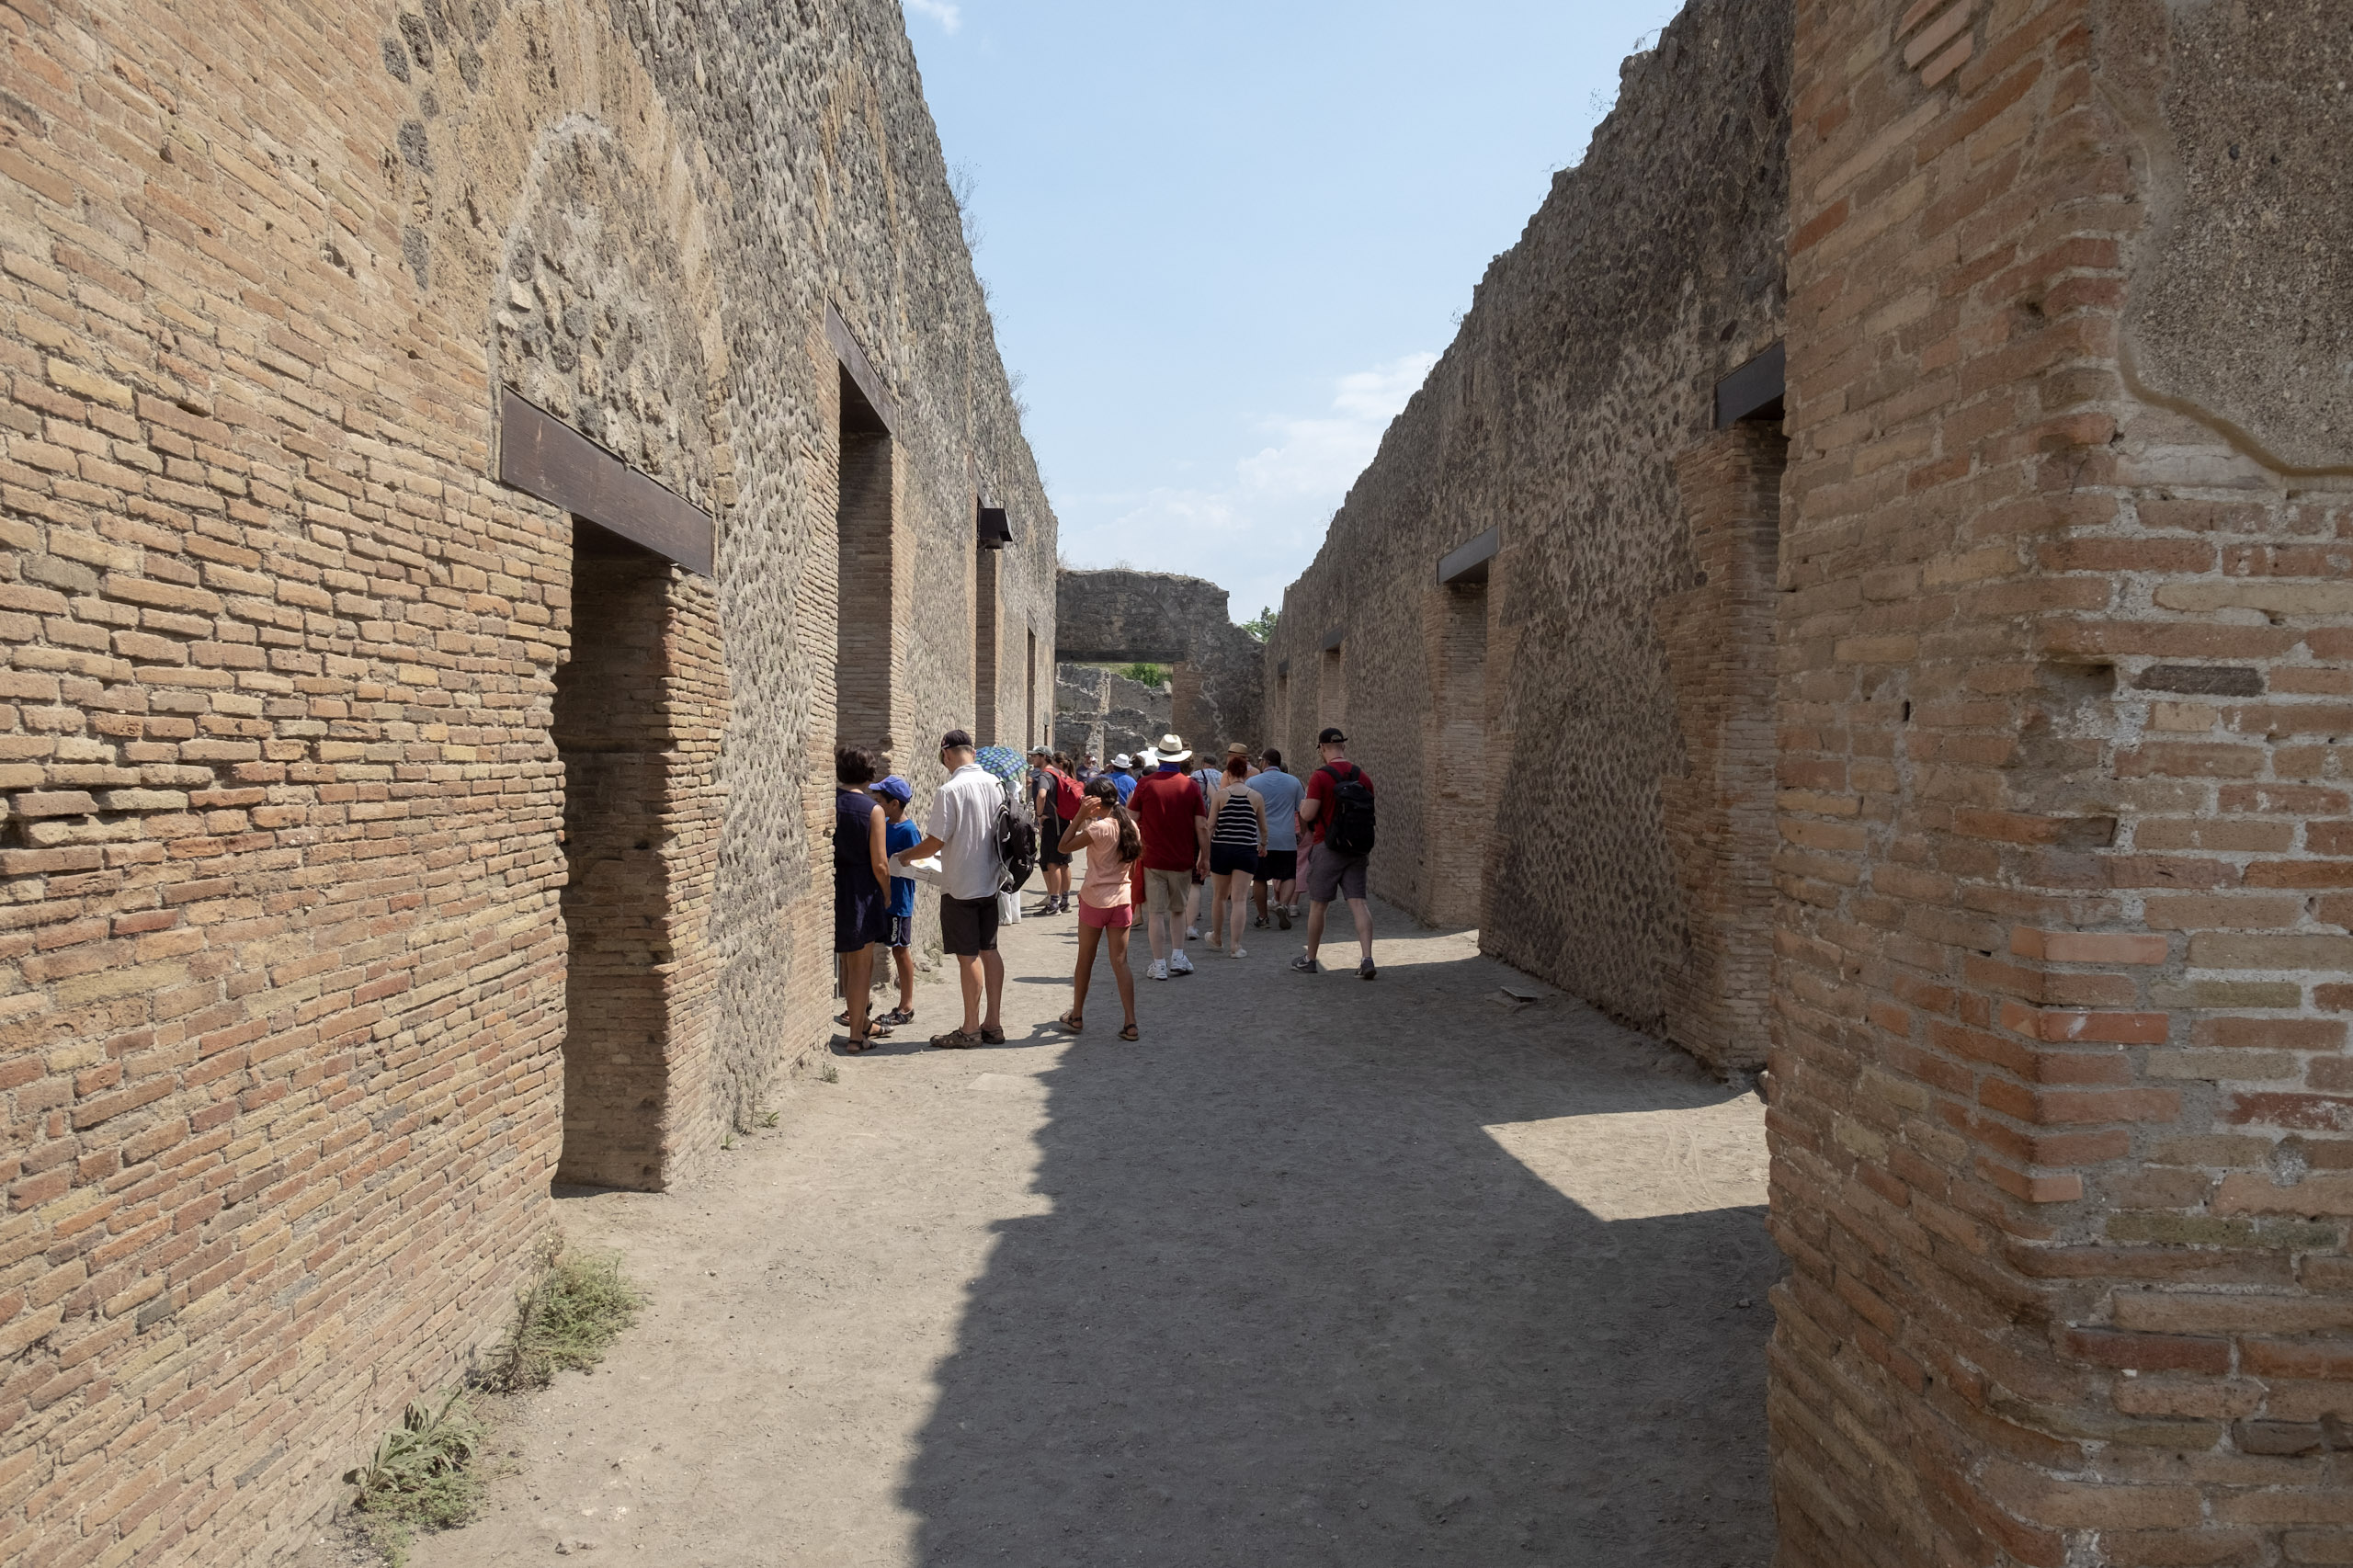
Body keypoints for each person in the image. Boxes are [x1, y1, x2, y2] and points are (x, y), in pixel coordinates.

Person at [897, 729, 1007, 1047]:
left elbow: (935, 841)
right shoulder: (996, 784)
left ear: (946, 755)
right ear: (973, 752)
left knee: (967, 956)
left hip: (961, 885)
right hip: (991, 881)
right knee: (990, 950)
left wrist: (907, 856)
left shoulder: (949, 790)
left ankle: (970, 1028)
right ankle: (993, 1023)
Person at [1057, 776, 1142, 1041]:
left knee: (1085, 959)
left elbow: (1063, 846)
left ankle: (1077, 1015)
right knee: (1121, 962)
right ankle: (1130, 1022)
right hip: (1121, 900)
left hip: (1095, 899)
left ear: (1093, 802)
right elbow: (1133, 868)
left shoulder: (1099, 828)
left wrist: (1079, 816)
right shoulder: (1131, 826)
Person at [1291, 727, 1377, 979]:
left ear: (1322, 748)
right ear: (1343, 746)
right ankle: (1367, 958)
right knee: (1359, 903)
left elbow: (1308, 814)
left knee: (1318, 905)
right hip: (1357, 847)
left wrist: (1304, 805)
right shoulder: (1363, 776)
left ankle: (1310, 959)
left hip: (1327, 847)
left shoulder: (1320, 777)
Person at [1126, 733, 1209, 981]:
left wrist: (1134, 847)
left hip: (1152, 858)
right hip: (1182, 858)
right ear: (1180, 758)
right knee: (1178, 911)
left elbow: (1131, 819)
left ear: (1160, 758)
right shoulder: (1191, 786)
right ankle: (1178, 957)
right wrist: (1205, 857)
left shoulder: (1145, 784)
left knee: (1155, 913)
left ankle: (1159, 963)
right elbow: (1202, 825)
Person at [831, 747, 895, 1051]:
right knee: (861, 967)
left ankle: (862, 1022)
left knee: (846, 963)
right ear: (870, 775)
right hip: (861, 891)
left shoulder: (829, 801)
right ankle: (857, 1036)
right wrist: (887, 893)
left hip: (835, 887)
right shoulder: (873, 810)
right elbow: (880, 863)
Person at [1206, 749, 1267, 959]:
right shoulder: (1256, 797)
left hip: (1221, 849)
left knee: (1219, 897)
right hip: (1246, 850)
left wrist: (1204, 853)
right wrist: (1264, 844)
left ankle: (1217, 938)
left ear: (1229, 773)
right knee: (1239, 899)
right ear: (1245, 774)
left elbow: (1210, 825)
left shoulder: (1221, 795)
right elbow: (1263, 828)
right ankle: (1236, 946)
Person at [872, 774, 920, 1027]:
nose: (876, 804)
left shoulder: (909, 831)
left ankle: (907, 1005)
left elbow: (918, 865)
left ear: (894, 804)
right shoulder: (882, 824)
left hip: (899, 901)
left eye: (880, 800)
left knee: (900, 950)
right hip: (881, 898)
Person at [1249, 746, 1306, 931]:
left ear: (1265, 762)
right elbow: (1302, 811)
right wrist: (1302, 832)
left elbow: (1248, 812)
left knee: (1259, 878)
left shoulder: (1253, 782)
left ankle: (1263, 917)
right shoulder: (1294, 782)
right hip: (1286, 837)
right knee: (1289, 875)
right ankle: (1284, 905)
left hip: (1261, 839)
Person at [1029, 744, 1076, 915]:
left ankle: (1054, 905)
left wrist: (1039, 815)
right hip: (1063, 822)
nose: (1032, 759)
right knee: (1064, 862)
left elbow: (1042, 795)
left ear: (1044, 757)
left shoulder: (1045, 775)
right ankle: (1065, 902)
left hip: (1052, 823)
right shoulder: (1060, 773)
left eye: (1035, 756)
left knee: (1052, 862)